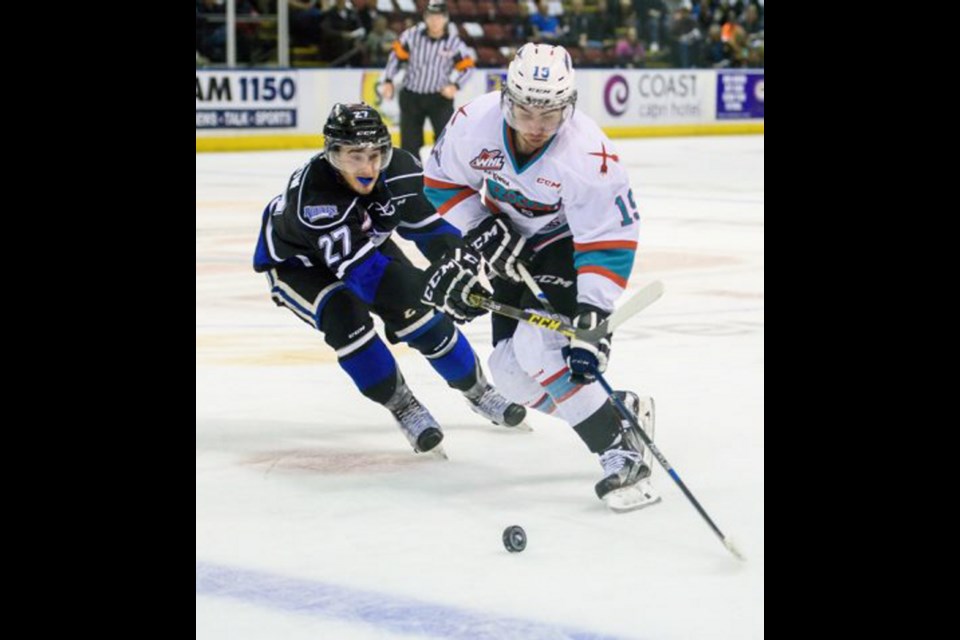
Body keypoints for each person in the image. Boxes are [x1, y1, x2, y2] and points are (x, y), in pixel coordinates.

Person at [418, 44, 659, 510]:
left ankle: (618, 448)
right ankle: (618, 411)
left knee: (538, 346)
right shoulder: (473, 124)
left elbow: (608, 237)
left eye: (549, 114)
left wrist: (593, 314)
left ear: (568, 107)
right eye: (525, 109)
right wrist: (480, 226)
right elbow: (440, 182)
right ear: (506, 96)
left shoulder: (590, 155)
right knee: (509, 374)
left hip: (564, 244)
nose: (535, 126)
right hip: (508, 241)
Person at [253, 103, 526, 454]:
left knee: (423, 317)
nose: (367, 168)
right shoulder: (316, 201)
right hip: (299, 264)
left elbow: (435, 233)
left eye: (375, 154)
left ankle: (479, 392)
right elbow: (369, 280)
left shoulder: (400, 170)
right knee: (347, 317)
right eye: (354, 156)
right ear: (331, 155)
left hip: (364, 247)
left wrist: (458, 267)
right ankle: (402, 404)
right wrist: (434, 288)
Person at [380, 1, 475, 158]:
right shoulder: (411, 35)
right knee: (410, 143)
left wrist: (455, 86)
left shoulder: (453, 43)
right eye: (431, 17)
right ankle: (412, 176)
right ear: (425, 17)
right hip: (412, 96)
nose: (434, 21)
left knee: (445, 139)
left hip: (439, 98)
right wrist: (388, 80)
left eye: (438, 17)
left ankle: (443, 176)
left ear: (445, 19)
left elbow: (468, 67)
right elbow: (395, 57)